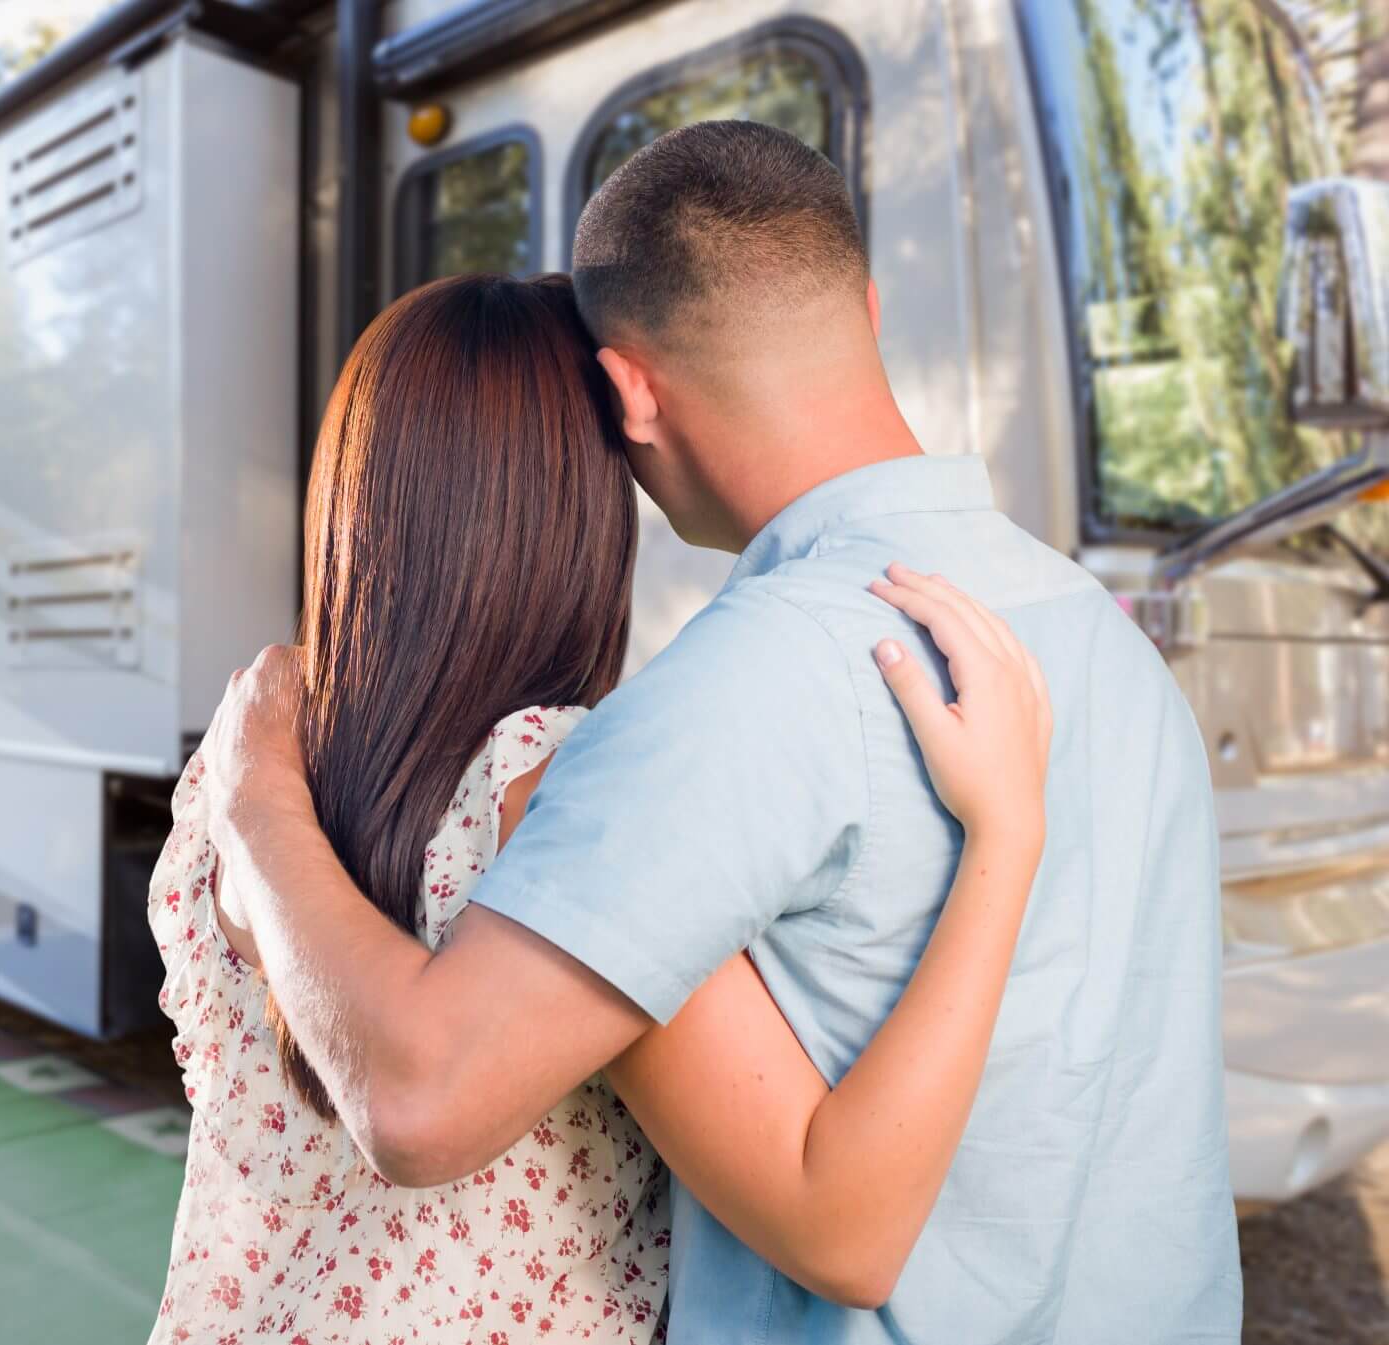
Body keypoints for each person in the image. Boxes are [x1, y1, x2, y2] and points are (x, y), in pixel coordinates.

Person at [200, 121, 1242, 1343]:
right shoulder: (1104, 642)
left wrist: (252, 800)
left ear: (627, 392)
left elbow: (421, 1099)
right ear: (860, 302)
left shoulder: (737, 689)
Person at [147, 271, 1054, 1343]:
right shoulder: (553, 790)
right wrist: (1005, 833)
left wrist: (254, 791)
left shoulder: (247, 763)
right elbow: (838, 1226)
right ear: (578, 514)